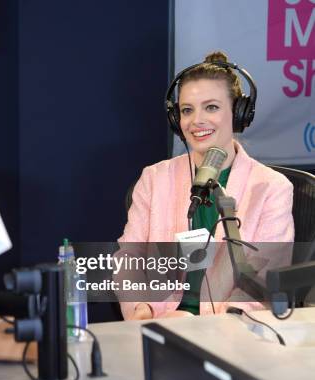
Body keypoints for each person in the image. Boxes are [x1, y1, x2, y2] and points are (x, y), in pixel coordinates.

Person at [118, 51, 294, 320]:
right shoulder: (154, 179)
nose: (196, 120)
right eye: (187, 110)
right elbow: (128, 258)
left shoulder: (271, 188)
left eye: (211, 107)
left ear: (238, 113)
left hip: (233, 332)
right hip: (160, 322)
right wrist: (141, 310)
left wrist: (216, 327)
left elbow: (265, 281)